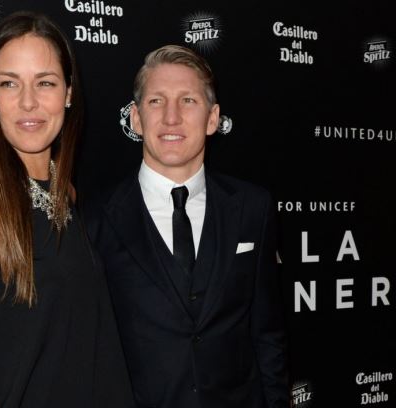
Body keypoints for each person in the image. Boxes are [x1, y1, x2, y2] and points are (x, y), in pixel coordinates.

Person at [0, 11, 134, 408]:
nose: (28, 102)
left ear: (68, 93)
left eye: (45, 82)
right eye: (9, 83)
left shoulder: (67, 194)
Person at [88, 45, 289, 407]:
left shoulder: (252, 208)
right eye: (156, 101)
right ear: (135, 118)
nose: (171, 118)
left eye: (188, 101)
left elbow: (267, 334)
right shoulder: (94, 218)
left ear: (212, 119)